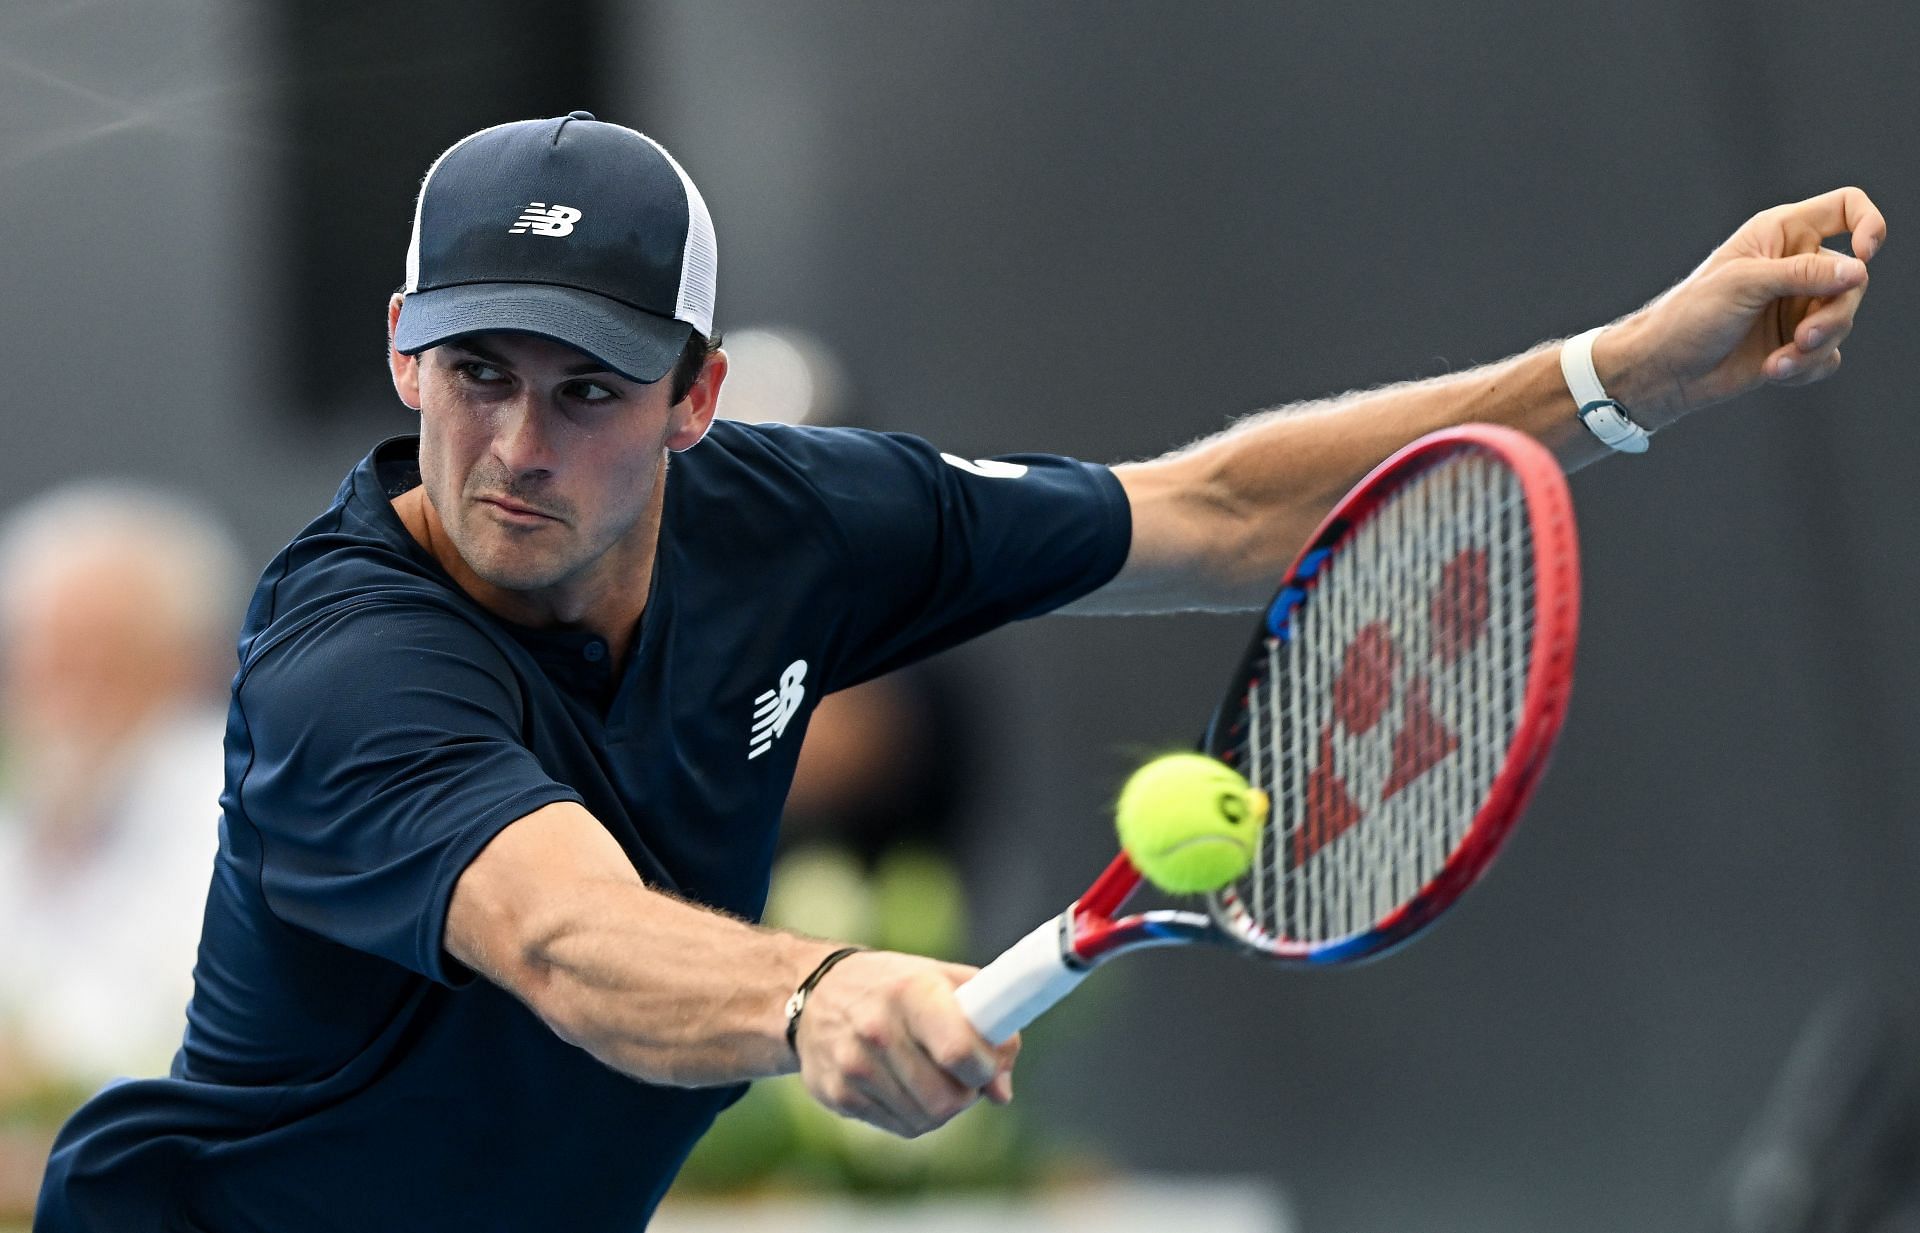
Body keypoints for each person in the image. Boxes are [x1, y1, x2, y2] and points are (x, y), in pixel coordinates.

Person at [33, 111, 1884, 1232]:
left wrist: (1629, 368)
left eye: (588, 388)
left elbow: (1221, 504)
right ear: (401, 356)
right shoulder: (349, 664)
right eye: (476, 373)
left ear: (696, 401)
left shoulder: (790, 523)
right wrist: (816, 990)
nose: (517, 443)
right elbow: (568, 938)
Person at [0, 483, 239, 1218]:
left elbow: (190, 1050)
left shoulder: (234, 806)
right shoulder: (27, 801)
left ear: (185, 664)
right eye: (43, 648)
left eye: (105, 647)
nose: (65, 680)